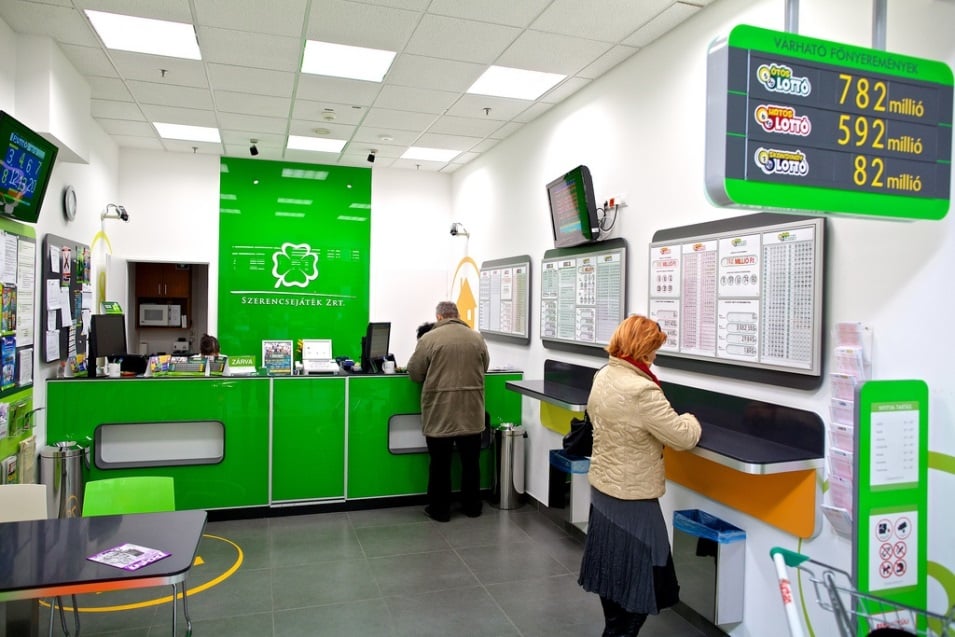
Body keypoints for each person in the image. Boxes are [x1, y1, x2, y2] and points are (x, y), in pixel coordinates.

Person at [578, 314, 701, 636]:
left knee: (611, 567)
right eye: (654, 348)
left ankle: (613, 629)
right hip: (633, 495)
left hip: (603, 487)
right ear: (643, 348)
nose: (656, 355)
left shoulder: (604, 375)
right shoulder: (643, 391)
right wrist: (691, 418)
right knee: (651, 568)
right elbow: (683, 437)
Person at [407, 301, 489, 522]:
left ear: (439, 317)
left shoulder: (429, 339)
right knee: (471, 462)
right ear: (457, 315)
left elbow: (414, 373)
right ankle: (472, 507)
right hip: (471, 411)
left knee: (440, 464)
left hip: (440, 411)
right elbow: (485, 367)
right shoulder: (476, 338)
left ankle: (440, 510)